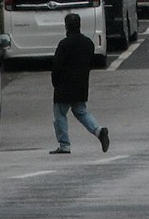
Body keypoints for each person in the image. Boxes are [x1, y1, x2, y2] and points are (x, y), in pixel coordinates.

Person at [47, 13, 112, 154]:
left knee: (60, 115)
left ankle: (64, 144)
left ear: (66, 26)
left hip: (63, 86)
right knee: (81, 111)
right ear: (79, 25)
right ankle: (99, 130)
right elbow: (90, 63)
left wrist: (55, 82)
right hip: (81, 84)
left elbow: (57, 66)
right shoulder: (88, 44)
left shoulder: (64, 44)